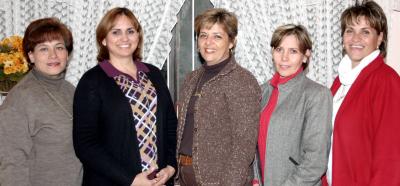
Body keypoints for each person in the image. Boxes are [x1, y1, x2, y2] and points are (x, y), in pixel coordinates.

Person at [73, 7, 177, 186]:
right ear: (103, 39)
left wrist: (170, 166)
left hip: (158, 181)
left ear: (138, 36)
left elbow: (170, 126)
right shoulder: (92, 81)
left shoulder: (153, 74)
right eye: (116, 32)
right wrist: (130, 180)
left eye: (130, 31)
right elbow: (85, 144)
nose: (125, 38)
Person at [176, 8, 261, 186]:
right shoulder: (191, 79)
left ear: (232, 42)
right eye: (203, 35)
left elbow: (243, 146)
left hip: (219, 180)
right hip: (184, 176)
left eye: (217, 36)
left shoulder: (242, 80)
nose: (208, 42)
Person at [324, 1, 400, 185]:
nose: (355, 38)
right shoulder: (340, 81)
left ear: (380, 38)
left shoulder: (386, 80)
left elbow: (390, 156)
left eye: (365, 32)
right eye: (350, 30)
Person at [0, 18, 82, 185]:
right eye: (44, 49)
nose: (53, 55)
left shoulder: (70, 89)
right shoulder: (20, 98)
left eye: (59, 47)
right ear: (31, 55)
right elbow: (12, 164)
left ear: (67, 53)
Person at [253, 24, 332, 186]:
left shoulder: (317, 94)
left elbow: (315, 161)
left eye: (293, 51)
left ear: (305, 55)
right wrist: (255, 180)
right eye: (279, 49)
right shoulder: (261, 91)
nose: (284, 58)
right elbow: (252, 145)